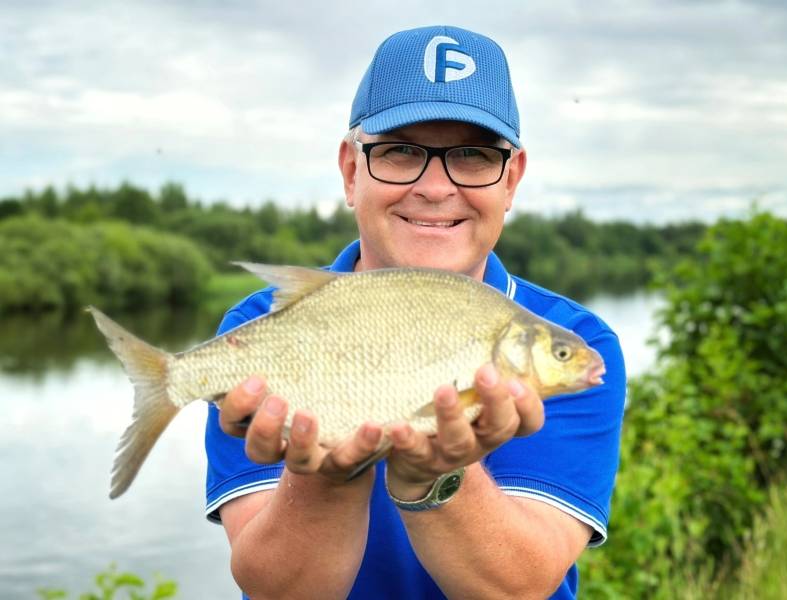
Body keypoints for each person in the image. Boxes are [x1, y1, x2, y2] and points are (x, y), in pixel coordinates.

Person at [204, 25, 626, 599]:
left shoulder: (577, 341)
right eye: (401, 151)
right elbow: (282, 592)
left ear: (512, 179)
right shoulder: (263, 331)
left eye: (473, 156)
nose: (434, 187)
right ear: (352, 172)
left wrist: (432, 477)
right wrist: (328, 480)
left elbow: (517, 590)